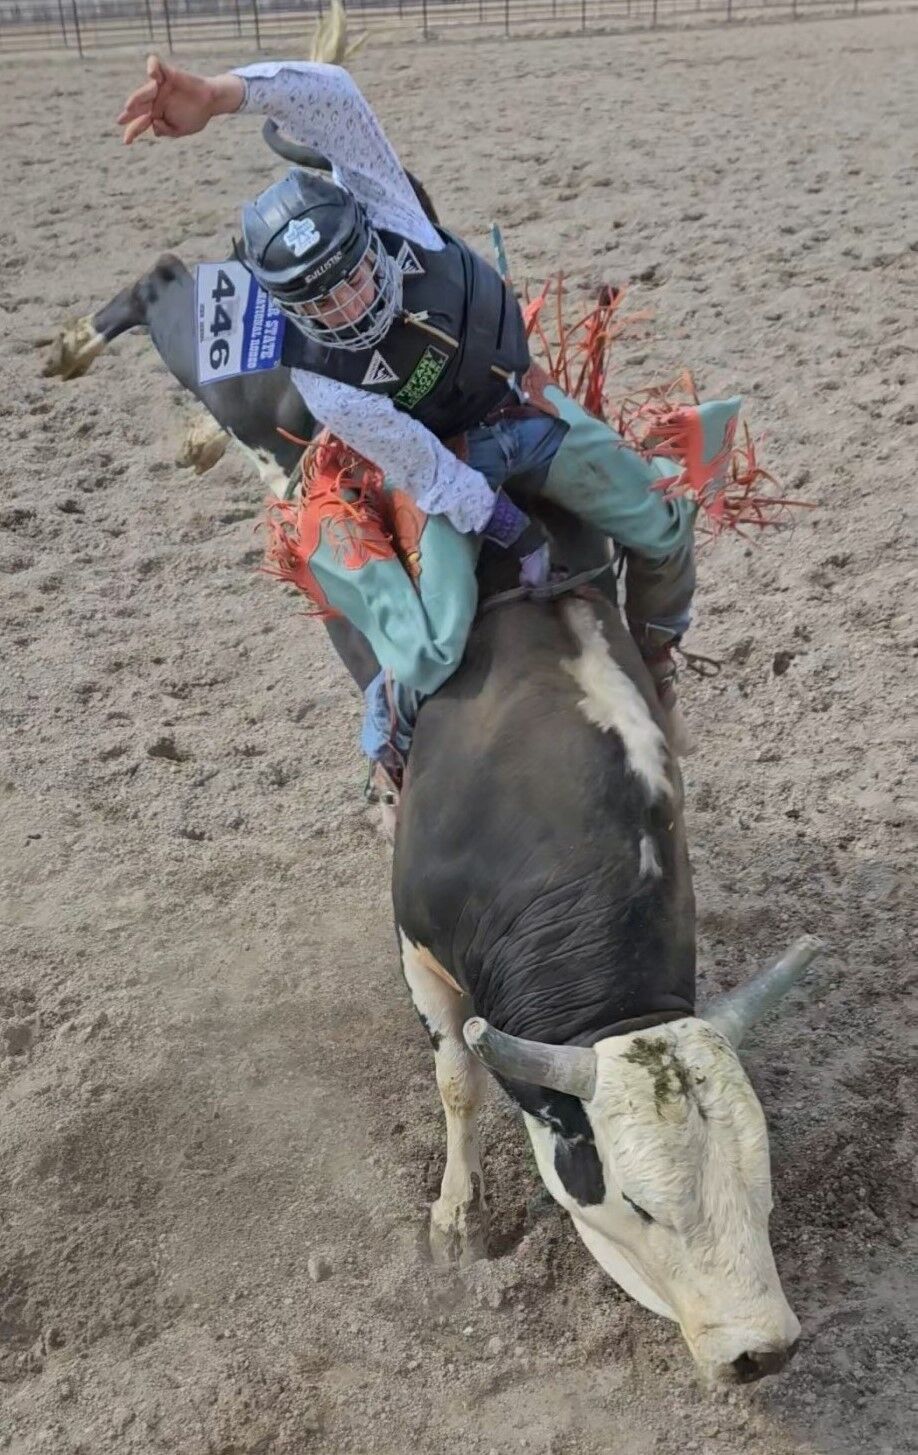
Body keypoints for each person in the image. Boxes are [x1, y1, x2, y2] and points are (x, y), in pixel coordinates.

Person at [118, 57, 732, 799]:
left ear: (367, 238)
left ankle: (656, 654)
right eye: (323, 303)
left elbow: (334, 97)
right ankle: (390, 739)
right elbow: (431, 475)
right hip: (447, 464)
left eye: (352, 278)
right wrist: (515, 529)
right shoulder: (321, 376)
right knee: (428, 652)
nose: (348, 305)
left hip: (519, 409)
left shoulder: (390, 207)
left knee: (665, 523)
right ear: (290, 312)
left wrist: (220, 96)